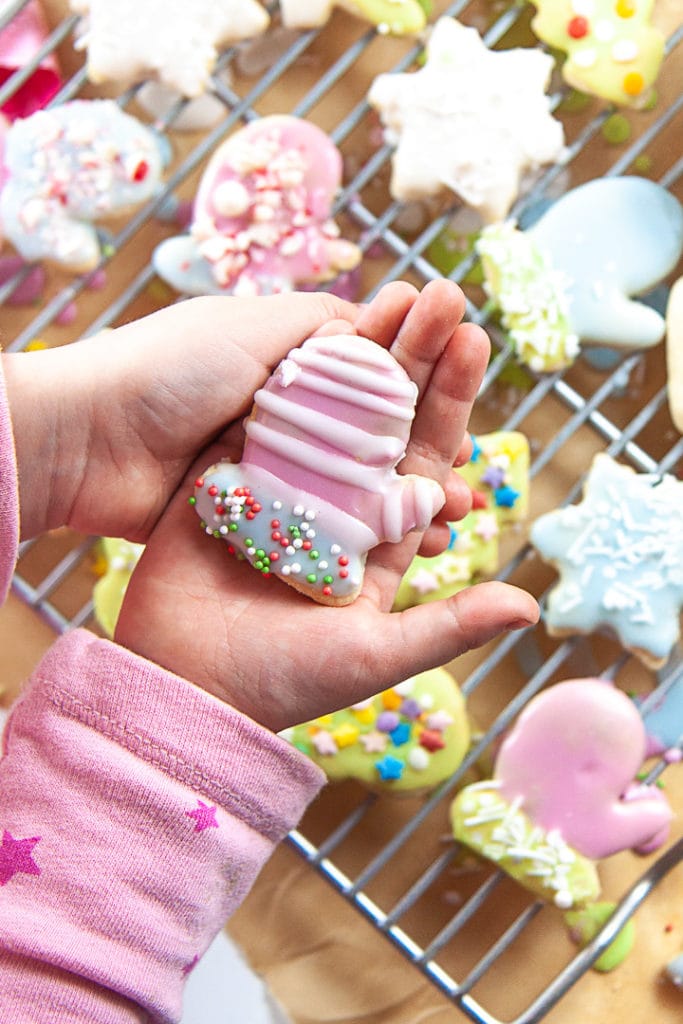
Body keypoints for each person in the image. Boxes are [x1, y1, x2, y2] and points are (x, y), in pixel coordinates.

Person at [0, 279, 539, 1022]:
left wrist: (53, 432)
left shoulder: (233, 486)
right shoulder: (315, 485)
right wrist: (50, 430)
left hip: (249, 508)